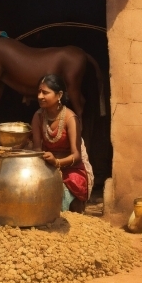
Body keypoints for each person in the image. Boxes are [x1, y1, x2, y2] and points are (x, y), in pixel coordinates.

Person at [31, 74, 92, 213]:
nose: (40, 96)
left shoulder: (70, 118)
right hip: (47, 167)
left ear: (59, 95)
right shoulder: (38, 116)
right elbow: (36, 148)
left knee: (63, 190)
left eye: (45, 92)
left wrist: (57, 163)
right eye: (39, 92)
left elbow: (76, 156)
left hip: (72, 169)